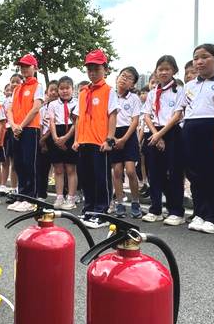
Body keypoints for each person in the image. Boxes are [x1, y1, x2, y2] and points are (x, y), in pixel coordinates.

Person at [72, 49, 118, 229]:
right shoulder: (83, 92)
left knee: (101, 178)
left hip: (100, 142)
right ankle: (89, 208)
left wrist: (109, 139)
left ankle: (102, 211)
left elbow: (112, 115)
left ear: (104, 69)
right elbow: (79, 118)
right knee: (86, 177)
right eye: (89, 68)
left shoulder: (108, 91)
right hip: (84, 141)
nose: (92, 72)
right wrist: (76, 139)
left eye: (96, 68)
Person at [181, 44, 214, 234]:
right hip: (191, 128)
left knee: (213, 174)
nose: (199, 61)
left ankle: (213, 217)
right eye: (196, 58)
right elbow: (183, 109)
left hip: (212, 127)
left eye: (205, 57)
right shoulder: (189, 85)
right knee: (194, 173)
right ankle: (199, 212)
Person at [141, 56, 185, 225]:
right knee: (154, 172)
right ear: (156, 71)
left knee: (174, 172)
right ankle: (156, 209)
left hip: (172, 132)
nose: (164, 72)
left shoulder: (179, 90)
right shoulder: (153, 93)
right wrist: (155, 134)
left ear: (174, 70)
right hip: (154, 132)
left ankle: (176, 211)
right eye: (160, 69)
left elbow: (177, 115)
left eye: (167, 69)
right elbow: (146, 115)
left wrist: (161, 135)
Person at [7, 54, 44, 212]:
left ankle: (31, 197)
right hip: (17, 129)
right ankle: (22, 195)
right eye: (21, 66)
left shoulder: (38, 86)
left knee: (30, 163)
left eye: (27, 66)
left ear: (34, 68)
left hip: (30, 129)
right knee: (19, 164)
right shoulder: (17, 88)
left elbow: (36, 108)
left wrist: (20, 125)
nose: (24, 69)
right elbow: (9, 109)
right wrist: (14, 125)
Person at [110, 67, 143, 219]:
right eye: (123, 75)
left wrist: (123, 139)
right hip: (113, 133)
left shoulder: (134, 98)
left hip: (128, 135)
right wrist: (113, 138)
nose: (124, 79)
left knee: (130, 171)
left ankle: (136, 202)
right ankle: (119, 203)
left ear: (133, 84)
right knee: (116, 171)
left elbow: (135, 121)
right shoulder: (110, 95)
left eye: (129, 78)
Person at [47, 76, 78, 209]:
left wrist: (66, 137)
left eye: (67, 88)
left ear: (72, 89)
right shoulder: (53, 104)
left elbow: (77, 122)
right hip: (56, 133)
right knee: (58, 169)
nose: (64, 91)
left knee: (71, 168)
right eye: (62, 88)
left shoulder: (77, 103)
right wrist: (55, 138)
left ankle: (71, 197)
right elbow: (52, 121)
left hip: (71, 133)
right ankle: (59, 197)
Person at [36, 81, 58, 199]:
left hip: (55, 138)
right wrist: (41, 140)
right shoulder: (42, 108)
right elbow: (39, 125)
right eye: (51, 90)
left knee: (60, 168)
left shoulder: (60, 107)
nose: (54, 92)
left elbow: (54, 124)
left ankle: (63, 195)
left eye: (56, 90)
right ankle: (41, 194)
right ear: (47, 92)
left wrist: (45, 138)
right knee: (42, 168)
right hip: (42, 140)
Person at [0, 74, 22, 195]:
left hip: (18, 129)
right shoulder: (5, 102)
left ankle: (15, 187)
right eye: (12, 82)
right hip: (7, 131)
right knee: (5, 160)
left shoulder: (22, 97)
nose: (14, 85)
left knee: (15, 161)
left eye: (17, 82)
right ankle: (3, 185)